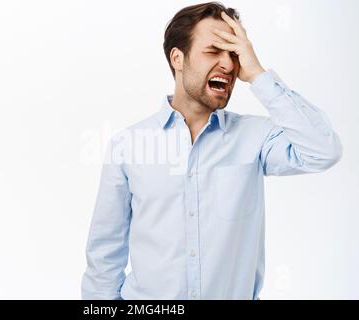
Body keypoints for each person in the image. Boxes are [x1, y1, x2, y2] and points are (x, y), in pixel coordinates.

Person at [81, 2, 342, 300]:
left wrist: (257, 73)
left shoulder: (257, 137)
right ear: (178, 58)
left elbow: (324, 150)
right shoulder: (127, 146)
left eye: (234, 53)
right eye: (214, 51)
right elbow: (104, 259)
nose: (229, 65)